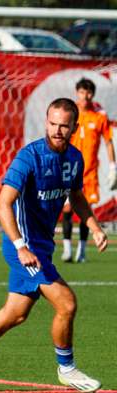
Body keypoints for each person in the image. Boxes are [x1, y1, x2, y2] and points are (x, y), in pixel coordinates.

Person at [0, 98, 107, 393]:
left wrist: (93, 226)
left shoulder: (74, 158)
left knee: (15, 313)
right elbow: (3, 204)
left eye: (63, 125)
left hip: (40, 247)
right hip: (24, 248)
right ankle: (66, 369)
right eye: (52, 123)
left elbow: (77, 195)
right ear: (46, 122)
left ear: (74, 127)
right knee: (67, 303)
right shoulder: (29, 157)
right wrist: (20, 246)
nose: (57, 130)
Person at [61, 78, 115, 263]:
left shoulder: (99, 115)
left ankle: (82, 250)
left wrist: (113, 167)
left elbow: (108, 141)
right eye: (83, 92)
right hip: (69, 169)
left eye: (89, 92)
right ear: (77, 92)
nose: (86, 96)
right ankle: (67, 249)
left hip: (89, 173)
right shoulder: (70, 112)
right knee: (67, 209)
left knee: (86, 211)